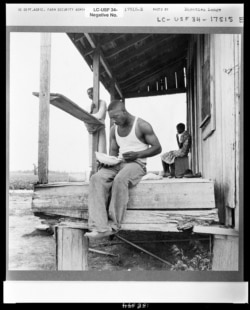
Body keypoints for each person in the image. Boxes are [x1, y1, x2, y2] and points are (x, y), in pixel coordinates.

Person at [85, 99, 162, 238]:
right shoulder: (114, 130)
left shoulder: (142, 125)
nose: (114, 121)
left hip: (137, 164)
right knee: (96, 178)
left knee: (120, 180)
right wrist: (107, 162)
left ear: (124, 112)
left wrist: (137, 154)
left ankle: (114, 226)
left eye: (116, 117)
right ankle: (100, 227)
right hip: (119, 163)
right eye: (111, 118)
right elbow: (114, 153)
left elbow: (158, 148)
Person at [86, 87, 107, 153]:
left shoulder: (102, 102)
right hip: (92, 130)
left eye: (91, 93)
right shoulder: (88, 107)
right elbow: (85, 119)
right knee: (92, 152)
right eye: (88, 94)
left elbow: (100, 116)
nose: (90, 95)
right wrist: (91, 110)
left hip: (100, 128)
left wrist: (89, 116)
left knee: (101, 151)